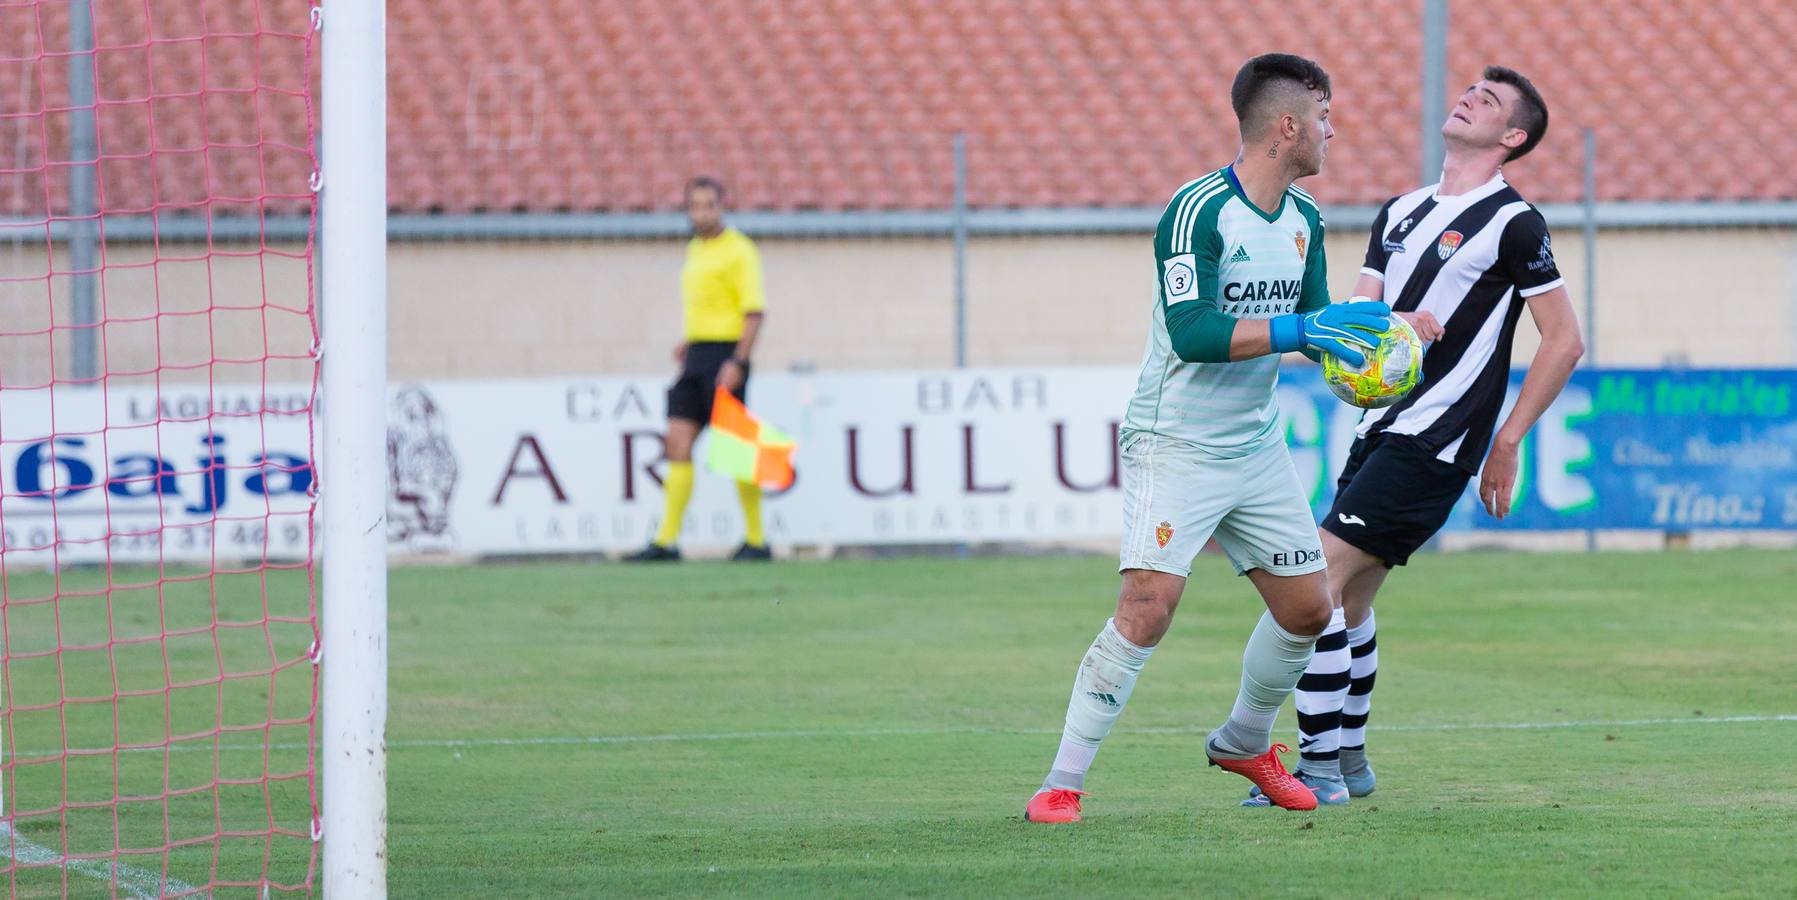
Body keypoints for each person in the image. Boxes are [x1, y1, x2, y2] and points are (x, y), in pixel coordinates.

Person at [1023, 53, 1394, 823]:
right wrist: (1307, 327)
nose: (1333, 132)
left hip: (1254, 446)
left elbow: (1315, 333)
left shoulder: (1306, 219)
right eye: (1324, 117)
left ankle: (1244, 741)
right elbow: (1192, 332)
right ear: (1286, 126)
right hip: (1175, 441)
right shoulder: (1196, 211)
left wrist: (1372, 355)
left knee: (1307, 611)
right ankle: (1062, 782)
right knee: (1148, 605)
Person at [1249, 66, 1585, 807]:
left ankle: (1316, 773)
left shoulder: (1513, 223)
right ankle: (1350, 757)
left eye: (1488, 101)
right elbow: (1360, 323)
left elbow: (1562, 340)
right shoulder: (1399, 211)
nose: (1468, 97)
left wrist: (1506, 441)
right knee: (1351, 602)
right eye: (1470, 89)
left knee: (1314, 586)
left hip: (1436, 440)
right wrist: (1380, 330)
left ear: (1511, 138)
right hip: (1376, 427)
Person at [624, 177, 772, 563]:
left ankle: (757, 540)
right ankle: (666, 541)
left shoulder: (739, 251)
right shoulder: (694, 249)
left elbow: (753, 312)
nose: (702, 213)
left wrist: (738, 361)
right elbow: (708, 306)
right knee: (677, 440)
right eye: (695, 206)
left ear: (722, 207)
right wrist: (690, 343)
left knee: (736, 449)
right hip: (697, 356)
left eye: (709, 205)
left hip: (726, 357)